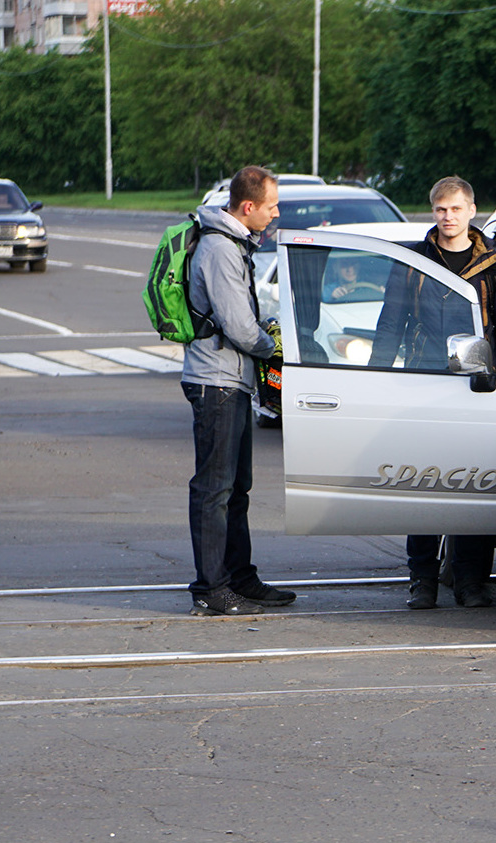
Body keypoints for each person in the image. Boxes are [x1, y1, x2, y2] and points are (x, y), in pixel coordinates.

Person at [371, 176, 496, 610]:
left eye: (456, 209)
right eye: (440, 210)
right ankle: (422, 580)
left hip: (480, 386)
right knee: (426, 484)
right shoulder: (415, 260)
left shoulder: (494, 262)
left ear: (472, 210)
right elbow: (390, 322)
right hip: (426, 383)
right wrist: (375, 378)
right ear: (432, 212)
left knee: (475, 485)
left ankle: (471, 581)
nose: (448, 217)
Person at [181, 165, 293, 616]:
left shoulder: (233, 242)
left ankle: (240, 579)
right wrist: (275, 349)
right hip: (215, 382)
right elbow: (240, 328)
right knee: (214, 490)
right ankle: (211, 588)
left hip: (231, 381)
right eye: (271, 206)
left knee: (236, 488)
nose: (276, 213)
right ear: (248, 207)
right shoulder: (219, 249)